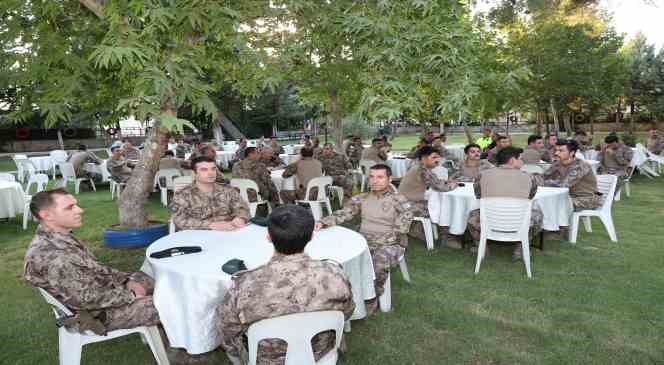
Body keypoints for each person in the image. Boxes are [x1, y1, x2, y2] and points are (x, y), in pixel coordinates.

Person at [218, 205, 354, 365]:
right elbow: (347, 311)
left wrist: (241, 360)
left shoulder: (243, 283)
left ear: (268, 236)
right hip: (321, 354)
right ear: (311, 236)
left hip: (268, 359)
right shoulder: (335, 274)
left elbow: (227, 332)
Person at [23, 189, 159, 333]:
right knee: (171, 303)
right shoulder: (54, 257)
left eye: (76, 205)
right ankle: (178, 345)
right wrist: (131, 295)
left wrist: (126, 280)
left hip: (101, 293)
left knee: (159, 279)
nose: (80, 210)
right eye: (70, 207)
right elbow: (85, 299)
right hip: (97, 315)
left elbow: (95, 269)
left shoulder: (59, 236)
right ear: (47, 215)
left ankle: (171, 329)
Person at [319, 164, 413, 311]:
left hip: (390, 243)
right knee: (338, 257)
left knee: (379, 261)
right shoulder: (362, 198)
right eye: (371, 177)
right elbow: (345, 213)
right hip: (363, 240)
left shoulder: (399, 200)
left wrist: (375, 242)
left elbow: (401, 230)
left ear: (390, 179)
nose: (375, 181)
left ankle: (372, 297)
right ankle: (342, 293)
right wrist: (323, 222)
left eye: (380, 177)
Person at [467, 147, 543, 259]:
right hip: (519, 220)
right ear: (512, 160)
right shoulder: (529, 177)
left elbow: (479, 195)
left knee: (471, 215)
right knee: (538, 215)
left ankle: (482, 248)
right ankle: (520, 248)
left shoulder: (482, 175)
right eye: (520, 159)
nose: (522, 162)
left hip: (490, 219)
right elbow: (530, 197)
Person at [169, 156, 250, 230]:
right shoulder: (183, 194)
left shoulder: (228, 190)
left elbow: (242, 208)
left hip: (228, 233)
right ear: (194, 173)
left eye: (213, 169)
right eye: (204, 170)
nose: (210, 173)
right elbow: (180, 220)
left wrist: (240, 218)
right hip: (198, 236)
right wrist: (210, 225)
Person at [398, 146, 458, 245]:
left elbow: (436, 182)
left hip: (404, 201)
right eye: (434, 157)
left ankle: (417, 229)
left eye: (438, 157)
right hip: (408, 204)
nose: (437, 160)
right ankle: (447, 236)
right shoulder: (422, 170)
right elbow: (441, 187)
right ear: (424, 158)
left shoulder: (419, 167)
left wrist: (446, 182)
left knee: (438, 202)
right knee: (443, 206)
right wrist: (454, 184)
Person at [539, 139, 602, 211]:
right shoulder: (558, 163)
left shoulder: (580, 166)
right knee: (541, 202)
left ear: (572, 153)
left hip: (588, 198)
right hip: (569, 196)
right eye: (556, 150)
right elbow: (543, 177)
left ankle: (560, 222)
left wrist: (541, 182)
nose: (556, 153)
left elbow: (563, 184)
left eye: (561, 151)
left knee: (555, 205)